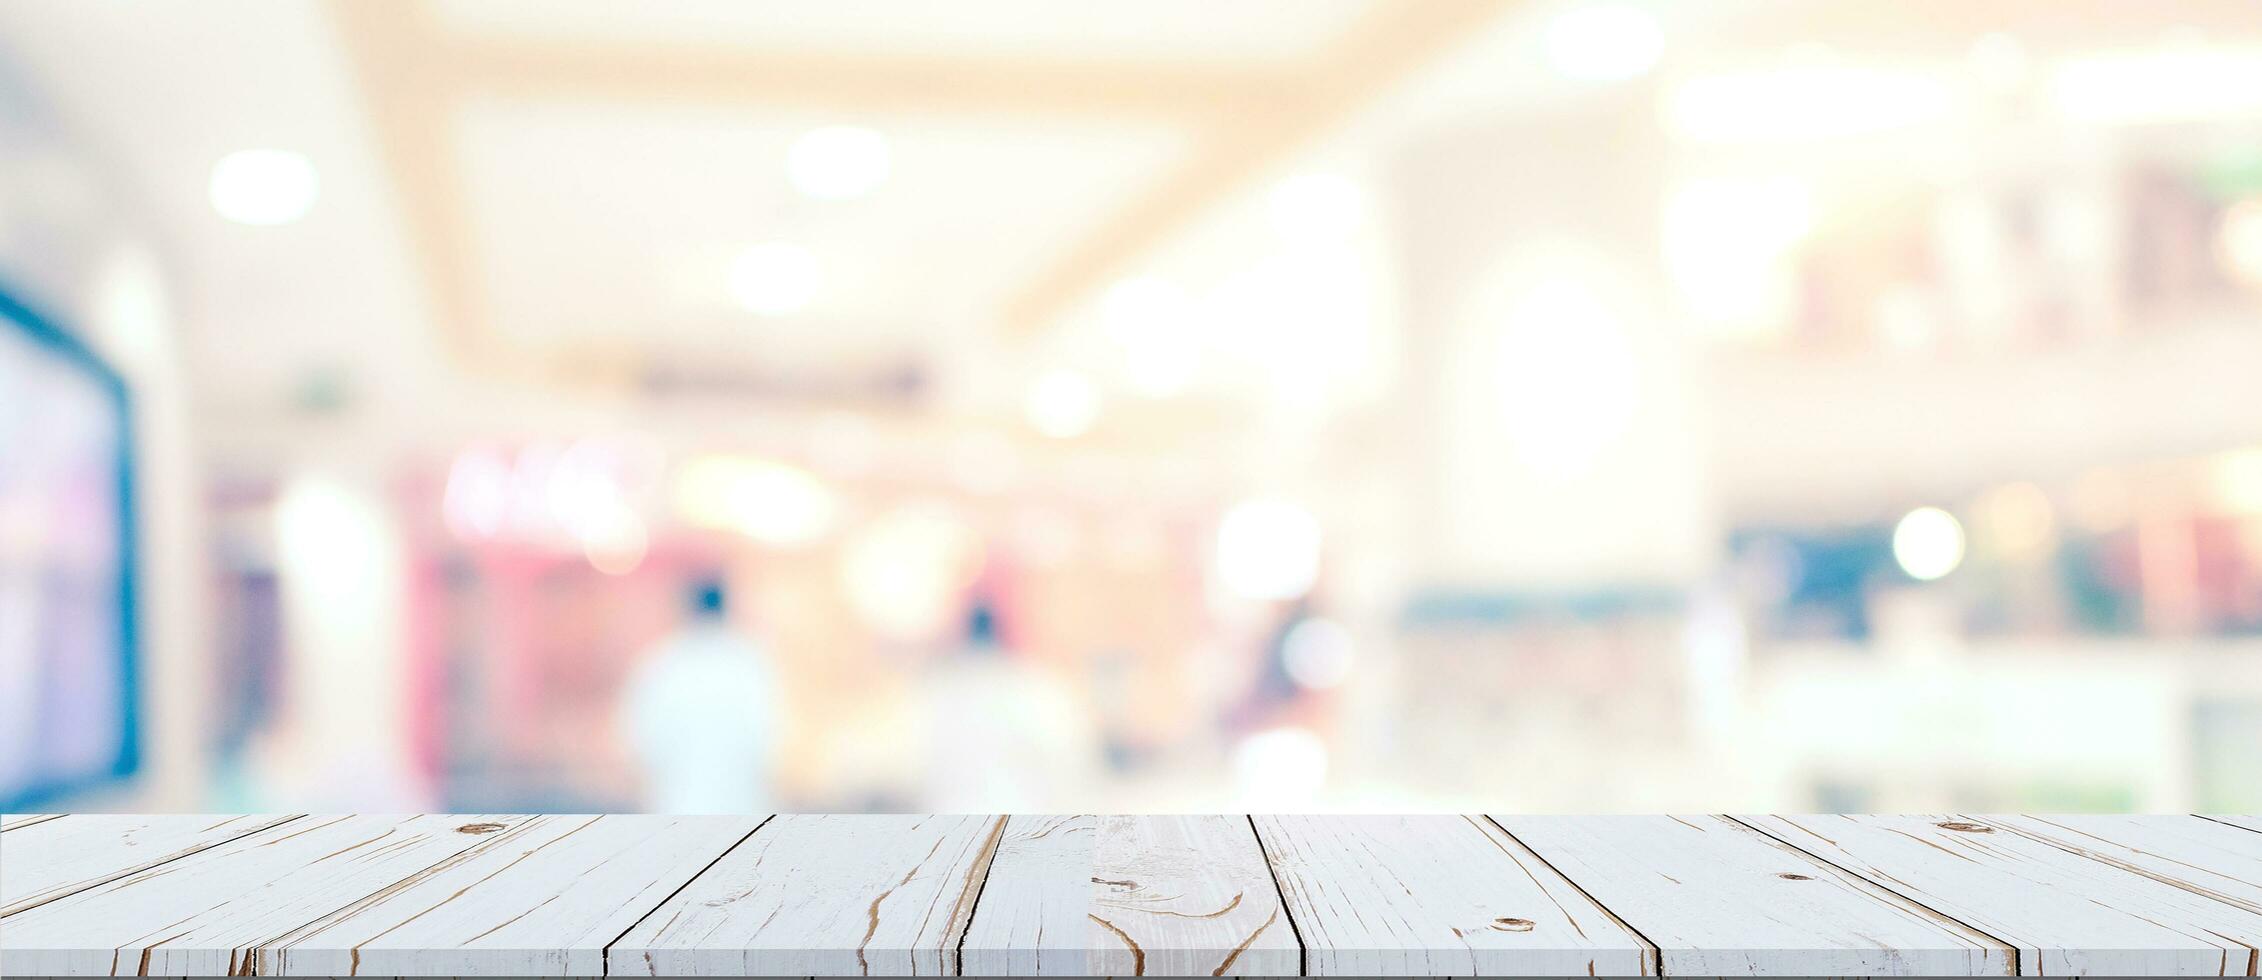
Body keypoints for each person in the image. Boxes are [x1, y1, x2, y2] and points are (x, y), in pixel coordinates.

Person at [619, 575, 783, 813]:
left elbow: (640, 739)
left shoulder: (662, 663)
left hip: (676, 804)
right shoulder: (749, 661)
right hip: (741, 804)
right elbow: (768, 737)